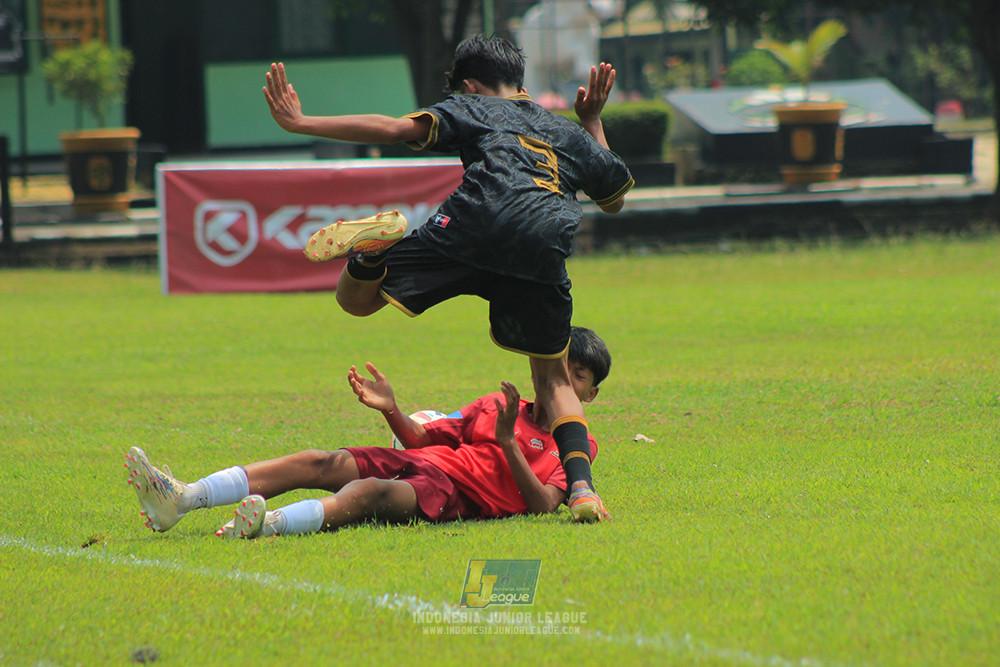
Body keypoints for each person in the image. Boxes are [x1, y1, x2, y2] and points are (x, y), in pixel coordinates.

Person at [263, 34, 632, 521]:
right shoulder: (564, 131)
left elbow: (394, 128)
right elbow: (614, 198)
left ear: (470, 86)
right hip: (542, 240)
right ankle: (583, 491)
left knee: (356, 300)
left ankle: (371, 255)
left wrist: (301, 122)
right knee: (552, 377)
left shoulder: (474, 107)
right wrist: (590, 121)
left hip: (475, 224)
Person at [125, 327, 612, 538]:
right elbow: (422, 441)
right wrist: (393, 410)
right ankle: (183, 498)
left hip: (457, 494)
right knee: (319, 461)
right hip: (427, 463)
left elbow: (544, 505)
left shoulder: (576, 445)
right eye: (560, 368)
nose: (564, 381)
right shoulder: (497, 404)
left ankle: (269, 524)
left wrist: (507, 443)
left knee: (371, 493)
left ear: (588, 396)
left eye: (579, 376)